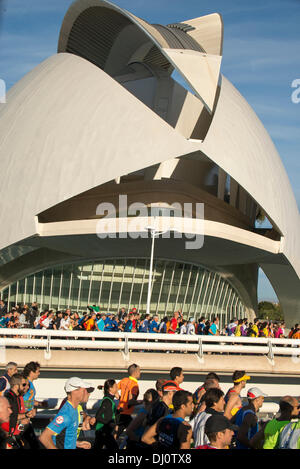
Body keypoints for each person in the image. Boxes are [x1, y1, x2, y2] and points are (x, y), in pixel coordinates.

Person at [39, 377, 94, 449]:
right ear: (75, 391)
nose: (88, 394)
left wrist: (77, 443)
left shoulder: (76, 409)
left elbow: (64, 436)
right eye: (85, 390)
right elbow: (44, 437)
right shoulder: (66, 414)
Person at [1, 373, 35, 449]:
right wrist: (25, 416)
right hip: (8, 435)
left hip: (16, 434)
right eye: (24, 385)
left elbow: (18, 418)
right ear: (16, 386)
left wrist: (26, 416)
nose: (26, 387)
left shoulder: (18, 397)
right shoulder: (8, 398)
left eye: (27, 385)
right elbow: (9, 417)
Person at [93, 379, 120, 450]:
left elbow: (110, 414)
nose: (117, 388)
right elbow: (98, 416)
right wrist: (109, 423)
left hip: (105, 431)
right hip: (102, 431)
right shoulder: (107, 401)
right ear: (110, 388)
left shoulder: (111, 400)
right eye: (115, 386)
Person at [117, 364, 141, 436]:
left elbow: (114, 390)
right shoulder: (134, 385)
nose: (140, 373)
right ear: (135, 372)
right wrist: (142, 402)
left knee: (117, 433)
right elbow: (131, 401)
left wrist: (120, 398)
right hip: (126, 413)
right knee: (135, 432)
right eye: (139, 371)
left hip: (119, 411)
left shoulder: (124, 380)